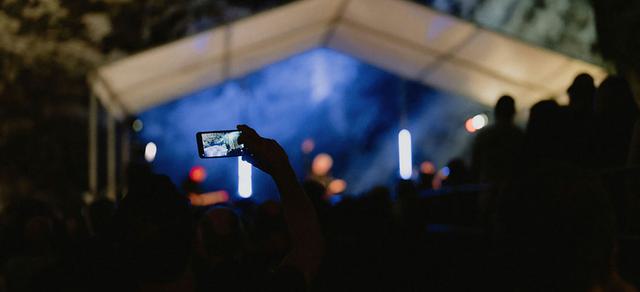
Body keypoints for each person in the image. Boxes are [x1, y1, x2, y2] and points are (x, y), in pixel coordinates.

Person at [471, 95, 524, 184]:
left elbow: (475, 165)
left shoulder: (485, 135)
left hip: (487, 187)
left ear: (496, 111)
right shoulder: (519, 136)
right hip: (513, 187)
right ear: (513, 112)